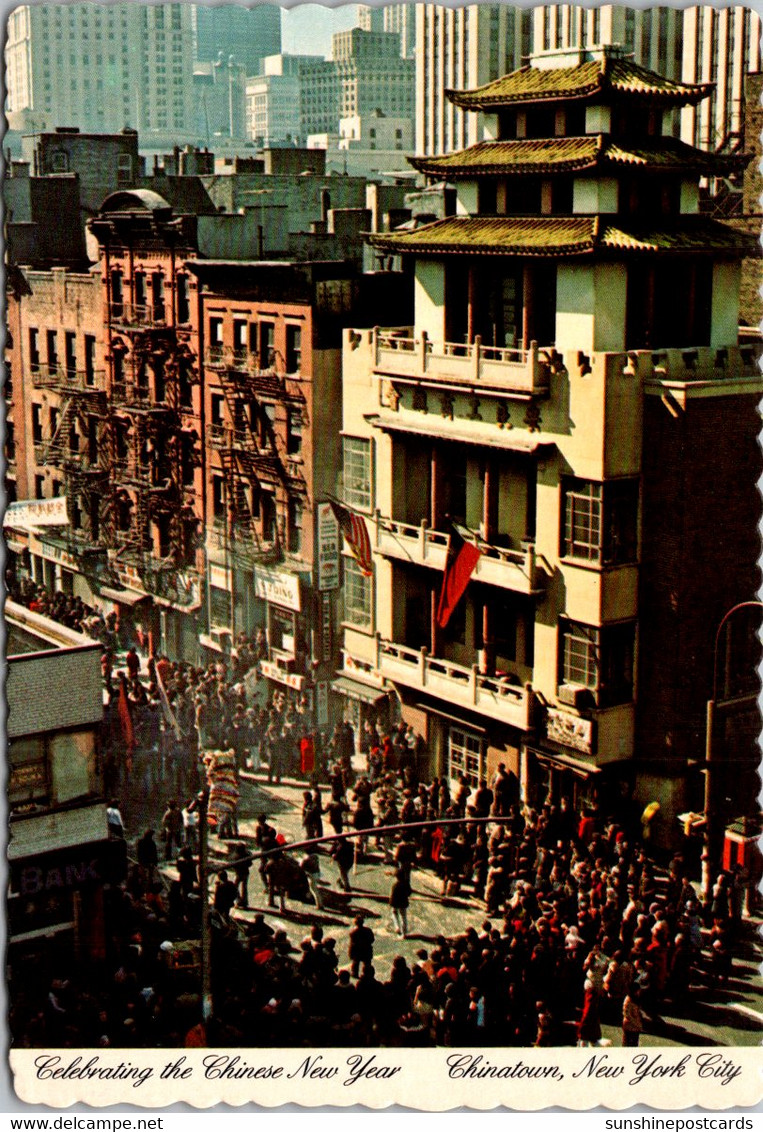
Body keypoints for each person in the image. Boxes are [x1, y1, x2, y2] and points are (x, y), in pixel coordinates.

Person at [389, 865, 412, 938]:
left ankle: (397, 927)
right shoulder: (406, 884)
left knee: (394, 914)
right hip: (403, 903)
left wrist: (390, 903)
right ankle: (404, 933)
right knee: (403, 918)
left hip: (395, 903)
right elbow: (409, 893)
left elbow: (392, 896)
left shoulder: (395, 885)